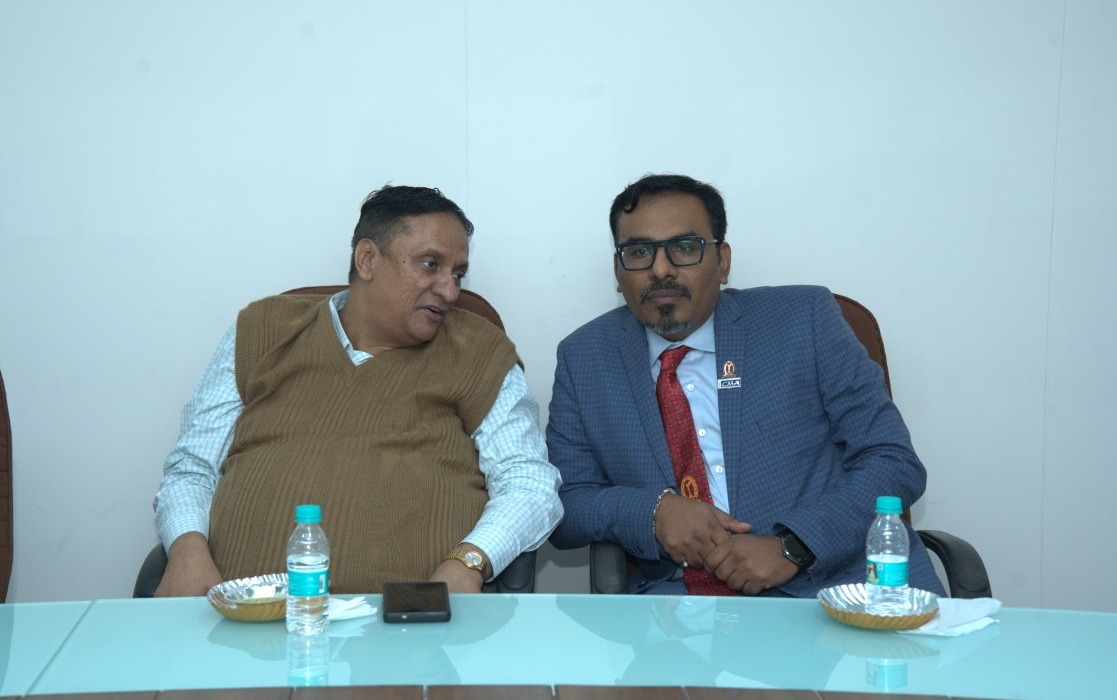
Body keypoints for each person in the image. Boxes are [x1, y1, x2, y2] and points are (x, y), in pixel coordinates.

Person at [546, 174, 943, 597]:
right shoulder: (584, 357)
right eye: (639, 252)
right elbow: (566, 504)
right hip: (680, 608)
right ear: (618, 270)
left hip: (834, 587)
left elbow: (892, 461)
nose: (660, 269)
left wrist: (794, 548)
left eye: (685, 247)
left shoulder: (804, 319)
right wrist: (653, 511)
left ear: (722, 262)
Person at [153, 185, 562, 596]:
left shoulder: (479, 351)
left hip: (411, 622)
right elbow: (193, 467)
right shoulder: (263, 331)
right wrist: (186, 549)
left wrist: (469, 562)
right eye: (430, 264)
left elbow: (528, 482)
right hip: (243, 615)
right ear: (367, 259)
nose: (449, 291)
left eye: (457, 274)